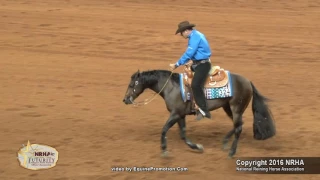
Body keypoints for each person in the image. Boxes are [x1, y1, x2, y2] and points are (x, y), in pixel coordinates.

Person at [169, 21, 212, 120]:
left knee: (195, 85)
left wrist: (176, 64)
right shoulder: (197, 35)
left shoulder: (195, 37)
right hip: (199, 62)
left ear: (186, 31)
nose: (181, 35)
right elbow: (200, 51)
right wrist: (192, 61)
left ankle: (204, 110)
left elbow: (189, 53)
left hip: (203, 65)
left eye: (181, 32)